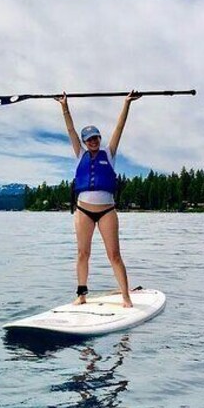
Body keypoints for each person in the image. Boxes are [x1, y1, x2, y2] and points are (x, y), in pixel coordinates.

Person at [56, 91, 141, 307]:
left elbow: (119, 128)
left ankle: (126, 297)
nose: (93, 141)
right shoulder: (79, 154)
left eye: (96, 137)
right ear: (84, 142)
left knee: (114, 254)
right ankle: (82, 295)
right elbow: (70, 130)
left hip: (107, 211)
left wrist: (127, 104)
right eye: (89, 139)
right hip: (83, 210)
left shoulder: (109, 153)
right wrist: (65, 107)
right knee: (83, 253)